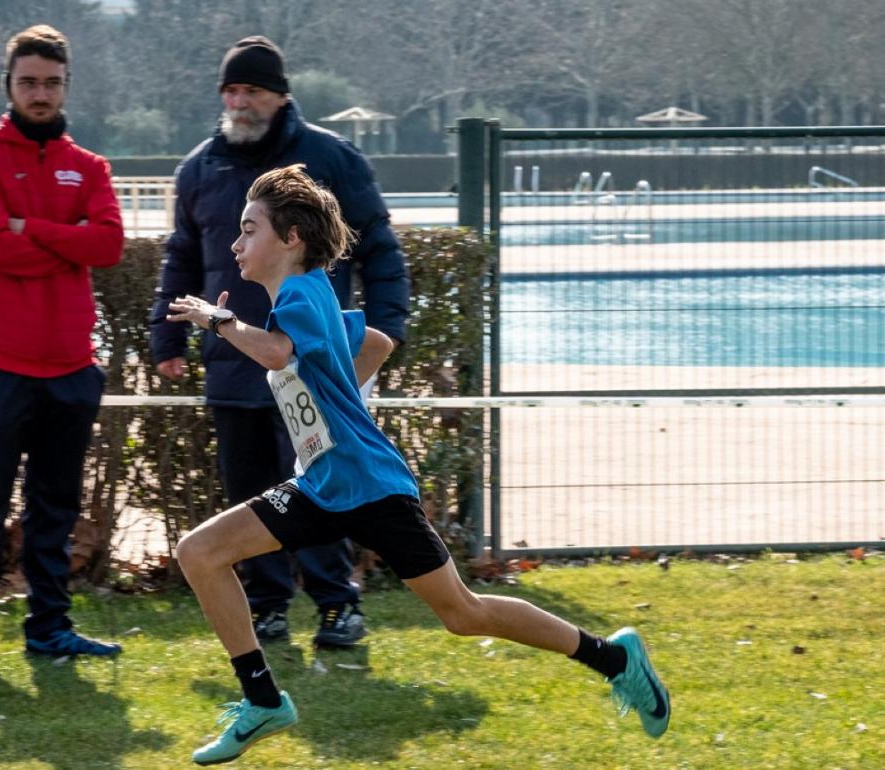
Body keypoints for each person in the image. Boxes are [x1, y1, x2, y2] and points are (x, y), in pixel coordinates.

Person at [167, 165, 671, 765]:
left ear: (292, 237)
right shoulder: (313, 293)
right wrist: (340, 408)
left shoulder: (300, 294)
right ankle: (263, 702)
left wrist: (219, 321)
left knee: (463, 613)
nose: (235, 244)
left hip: (371, 488)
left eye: (249, 230)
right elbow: (374, 342)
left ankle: (613, 657)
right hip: (323, 485)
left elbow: (277, 353)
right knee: (201, 552)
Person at [150, 35, 409, 648]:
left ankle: (337, 604)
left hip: (306, 366)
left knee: (320, 485)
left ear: (280, 97)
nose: (240, 102)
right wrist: (166, 336)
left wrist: (387, 328)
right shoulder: (200, 167)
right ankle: (267, 607)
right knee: (250, 492)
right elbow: (181, 254)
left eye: (253, 91)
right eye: (231, 91)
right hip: (232, 364)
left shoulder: (331, 158)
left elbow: (378, 246)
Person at [0, 24, 124, 669]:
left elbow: (109, 246)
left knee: (55, 509)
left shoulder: (90, 167)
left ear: (66, 85)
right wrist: (67, 242)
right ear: (9, 86)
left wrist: (32, 229)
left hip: (71, 365)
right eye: (28, 82)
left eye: (51, 82)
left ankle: (50, 629)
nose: (39, 94)